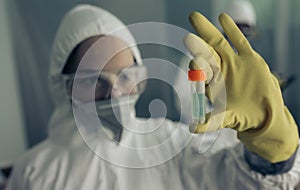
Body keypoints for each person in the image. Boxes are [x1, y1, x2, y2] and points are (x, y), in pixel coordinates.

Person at [6, 4, 300, 190]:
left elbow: (242, 180)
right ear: (64, 87)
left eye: (126, 77)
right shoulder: (35, 173)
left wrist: (267, 142)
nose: (114, 92)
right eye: (92, 81)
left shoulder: (170, 143)